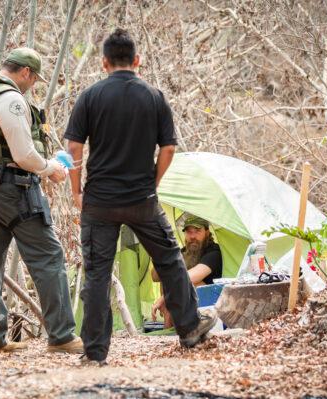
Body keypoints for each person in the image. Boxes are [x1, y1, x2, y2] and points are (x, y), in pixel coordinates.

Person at [64, 29, 216, 365]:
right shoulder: (154, 96)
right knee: (170, 262)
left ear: (104, 62)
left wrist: (77, 190)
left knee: (97, 273)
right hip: (142, 199)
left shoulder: (89, 96)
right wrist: (154, 182)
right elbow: (169, 147)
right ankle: (189, 329)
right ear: (137, 60)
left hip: (99, 202)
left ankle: (95, 352)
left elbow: (74, 147)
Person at [0, 47, 82, 353]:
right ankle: (63, 336)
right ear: (25, 72)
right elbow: (24, 155)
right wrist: (49, 169)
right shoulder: (12, 100)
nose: (33, 85)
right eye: (34, 78)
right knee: (48, 257)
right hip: (11, 187)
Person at [151, 216, 223, 328]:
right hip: (183, 309)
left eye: (197, 231)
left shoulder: (213, 251)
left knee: (192, 283)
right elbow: (155, 277)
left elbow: (192, 277)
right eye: (189, 232)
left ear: (207, 232)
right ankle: (169, 328)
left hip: (209, 307)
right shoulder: (182, 252)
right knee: (167, 278)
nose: (193, 236)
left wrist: (165, 297)